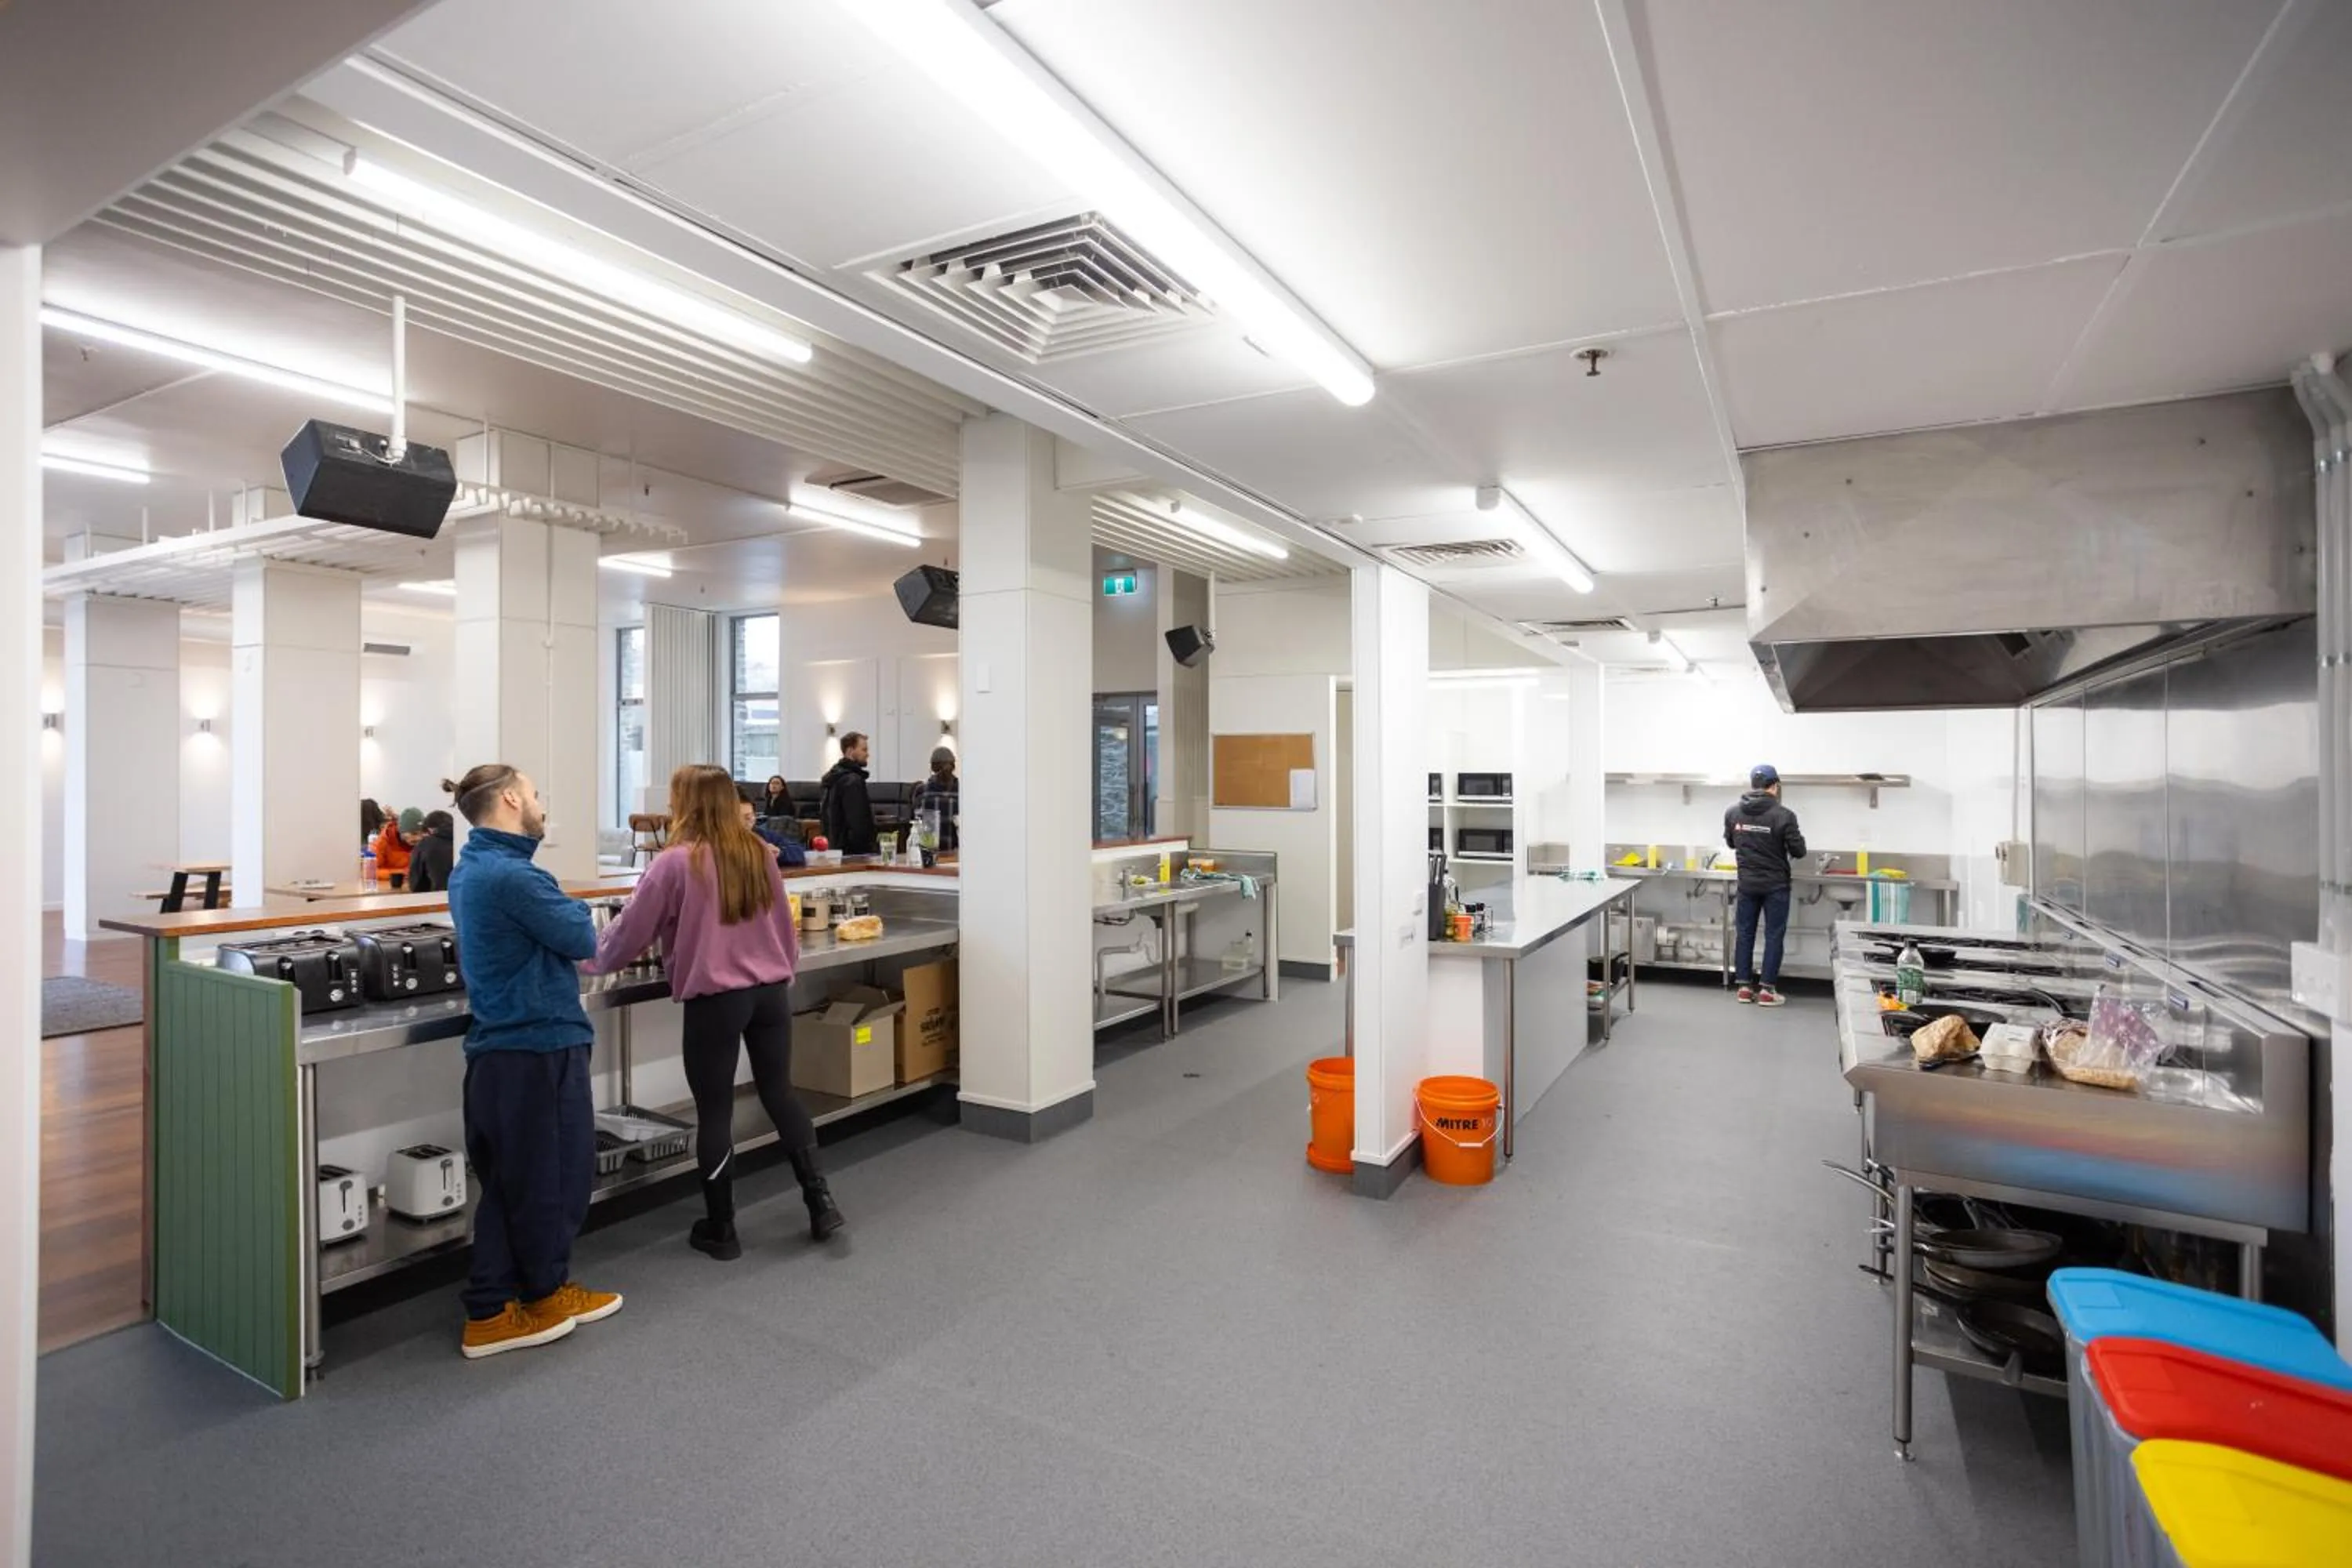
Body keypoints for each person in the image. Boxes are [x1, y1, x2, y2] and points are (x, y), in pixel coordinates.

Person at [589, 764, 843, 1259]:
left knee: (715, 1112)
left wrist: (590, 959)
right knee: (780, 1094)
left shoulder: (674, 863)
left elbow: (627, 935)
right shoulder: (755, 852)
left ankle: (722, 1229)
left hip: (717, 1001)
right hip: (770, 993)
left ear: (685, 804)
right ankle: (821, 1203)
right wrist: (780, 970)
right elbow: (783, 932)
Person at [443, 763, 621, 1358]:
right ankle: (521, 1299)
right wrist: (573, 911)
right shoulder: (515, 877)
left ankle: (514, 1300)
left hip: (503, 1050)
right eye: (537, 794)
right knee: (555, 1180)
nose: (543, 805)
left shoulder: (474, 868)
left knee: (514, 1183)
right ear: (513, 799)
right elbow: (582, 935)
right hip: (536, 1047)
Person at [1724, 764, 1806, 1007]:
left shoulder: (1733, 813)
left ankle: (1744, 988)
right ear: (1775, 786)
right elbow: (1799, 851)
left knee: (1745, 933)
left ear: (1753, 785)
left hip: (1747, 883)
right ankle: (1767, 991)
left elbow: (1730, 843)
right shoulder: (1784, 815)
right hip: (1775, 886)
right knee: (1773, 935)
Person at [818, 731, 880, 855]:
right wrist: (870, 849)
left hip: (834, 848)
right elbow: (858, 822)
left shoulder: (833, 778)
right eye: (864, 750)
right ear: (851, 751)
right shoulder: (852, 781)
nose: (867, 754)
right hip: (854, 852)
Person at [913, 746, 959, 855]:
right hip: (955, 855)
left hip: (928, 854)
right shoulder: (963, 791)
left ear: (933, 768)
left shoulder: (921, 790)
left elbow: (914, 822)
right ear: (953, 766)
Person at [740, 797, 807, 868]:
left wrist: (780, 853)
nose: (752, 820)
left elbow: (798, 851)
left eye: (752, 815)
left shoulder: (761, 834)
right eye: (746, 817)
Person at [406, 808, 457, 895]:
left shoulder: (425, 844)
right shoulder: (465, 839)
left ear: (430, 830)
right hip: (464, 899)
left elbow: (415, 885)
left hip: (435, 900)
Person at [372, 807, 421, 889]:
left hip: (413, 889)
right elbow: (371, 872)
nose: (418, 838)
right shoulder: (382, 843)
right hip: (388, 890)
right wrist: (400, 874)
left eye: (421, 833)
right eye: (414, 833)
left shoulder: (424, 843)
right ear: (400, 830)